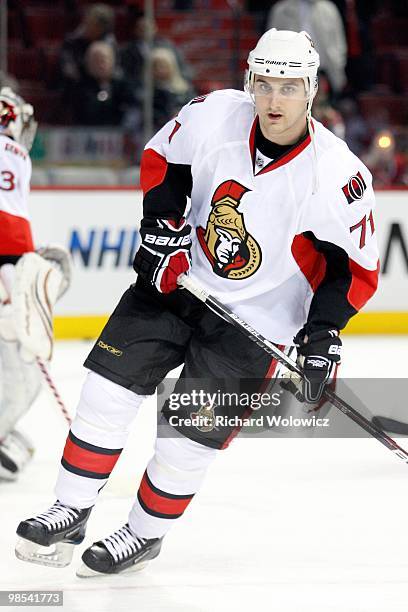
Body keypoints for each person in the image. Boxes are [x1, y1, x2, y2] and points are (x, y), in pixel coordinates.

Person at [16, 29, 379, 577]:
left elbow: (351, 270)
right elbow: (164, 162)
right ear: (249, 83)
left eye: (288, 87)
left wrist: (323, 333)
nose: (274, 100)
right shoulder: (213, 115)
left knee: (188, 437)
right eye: (264, 85)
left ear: (311, 90)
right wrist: (161, 232)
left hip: (256, 320)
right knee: (106, 389)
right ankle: (70, 506)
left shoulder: (338, 175)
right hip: (177, 285)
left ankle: (142, 535)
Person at [0, 88, 71, 481]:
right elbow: (9, 227)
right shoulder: (17, 155)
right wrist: (24, 263)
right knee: (24, 373)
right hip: (7, 264)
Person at [267, 0, 347, 95]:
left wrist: (337, 66)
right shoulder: (281, 10)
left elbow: (339, 43)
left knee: (324, 107)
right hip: (291, 72)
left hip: (324, 71)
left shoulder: (329, 9)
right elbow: (271, 46)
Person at [66, 42, 139, 126]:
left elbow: (132, 110)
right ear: (88, 63)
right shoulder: (79, 88)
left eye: (103, 60)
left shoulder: (123, 86)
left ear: (112, 61)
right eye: (95, 60)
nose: (100, 65)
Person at [58, 3, 117, 88]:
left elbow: (114, 70)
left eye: (92, 24)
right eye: (86, 22)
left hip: (102, 84)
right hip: (78, 84)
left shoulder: (110, 43)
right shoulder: (72, 41)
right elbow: (68, 68)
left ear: (102, 28)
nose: (86, 26)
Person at [151, 47, 196, 130]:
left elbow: (193, 108)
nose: (160, 70)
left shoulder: (184, 88)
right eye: (156, 67)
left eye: (163, 66)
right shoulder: (149, 91)